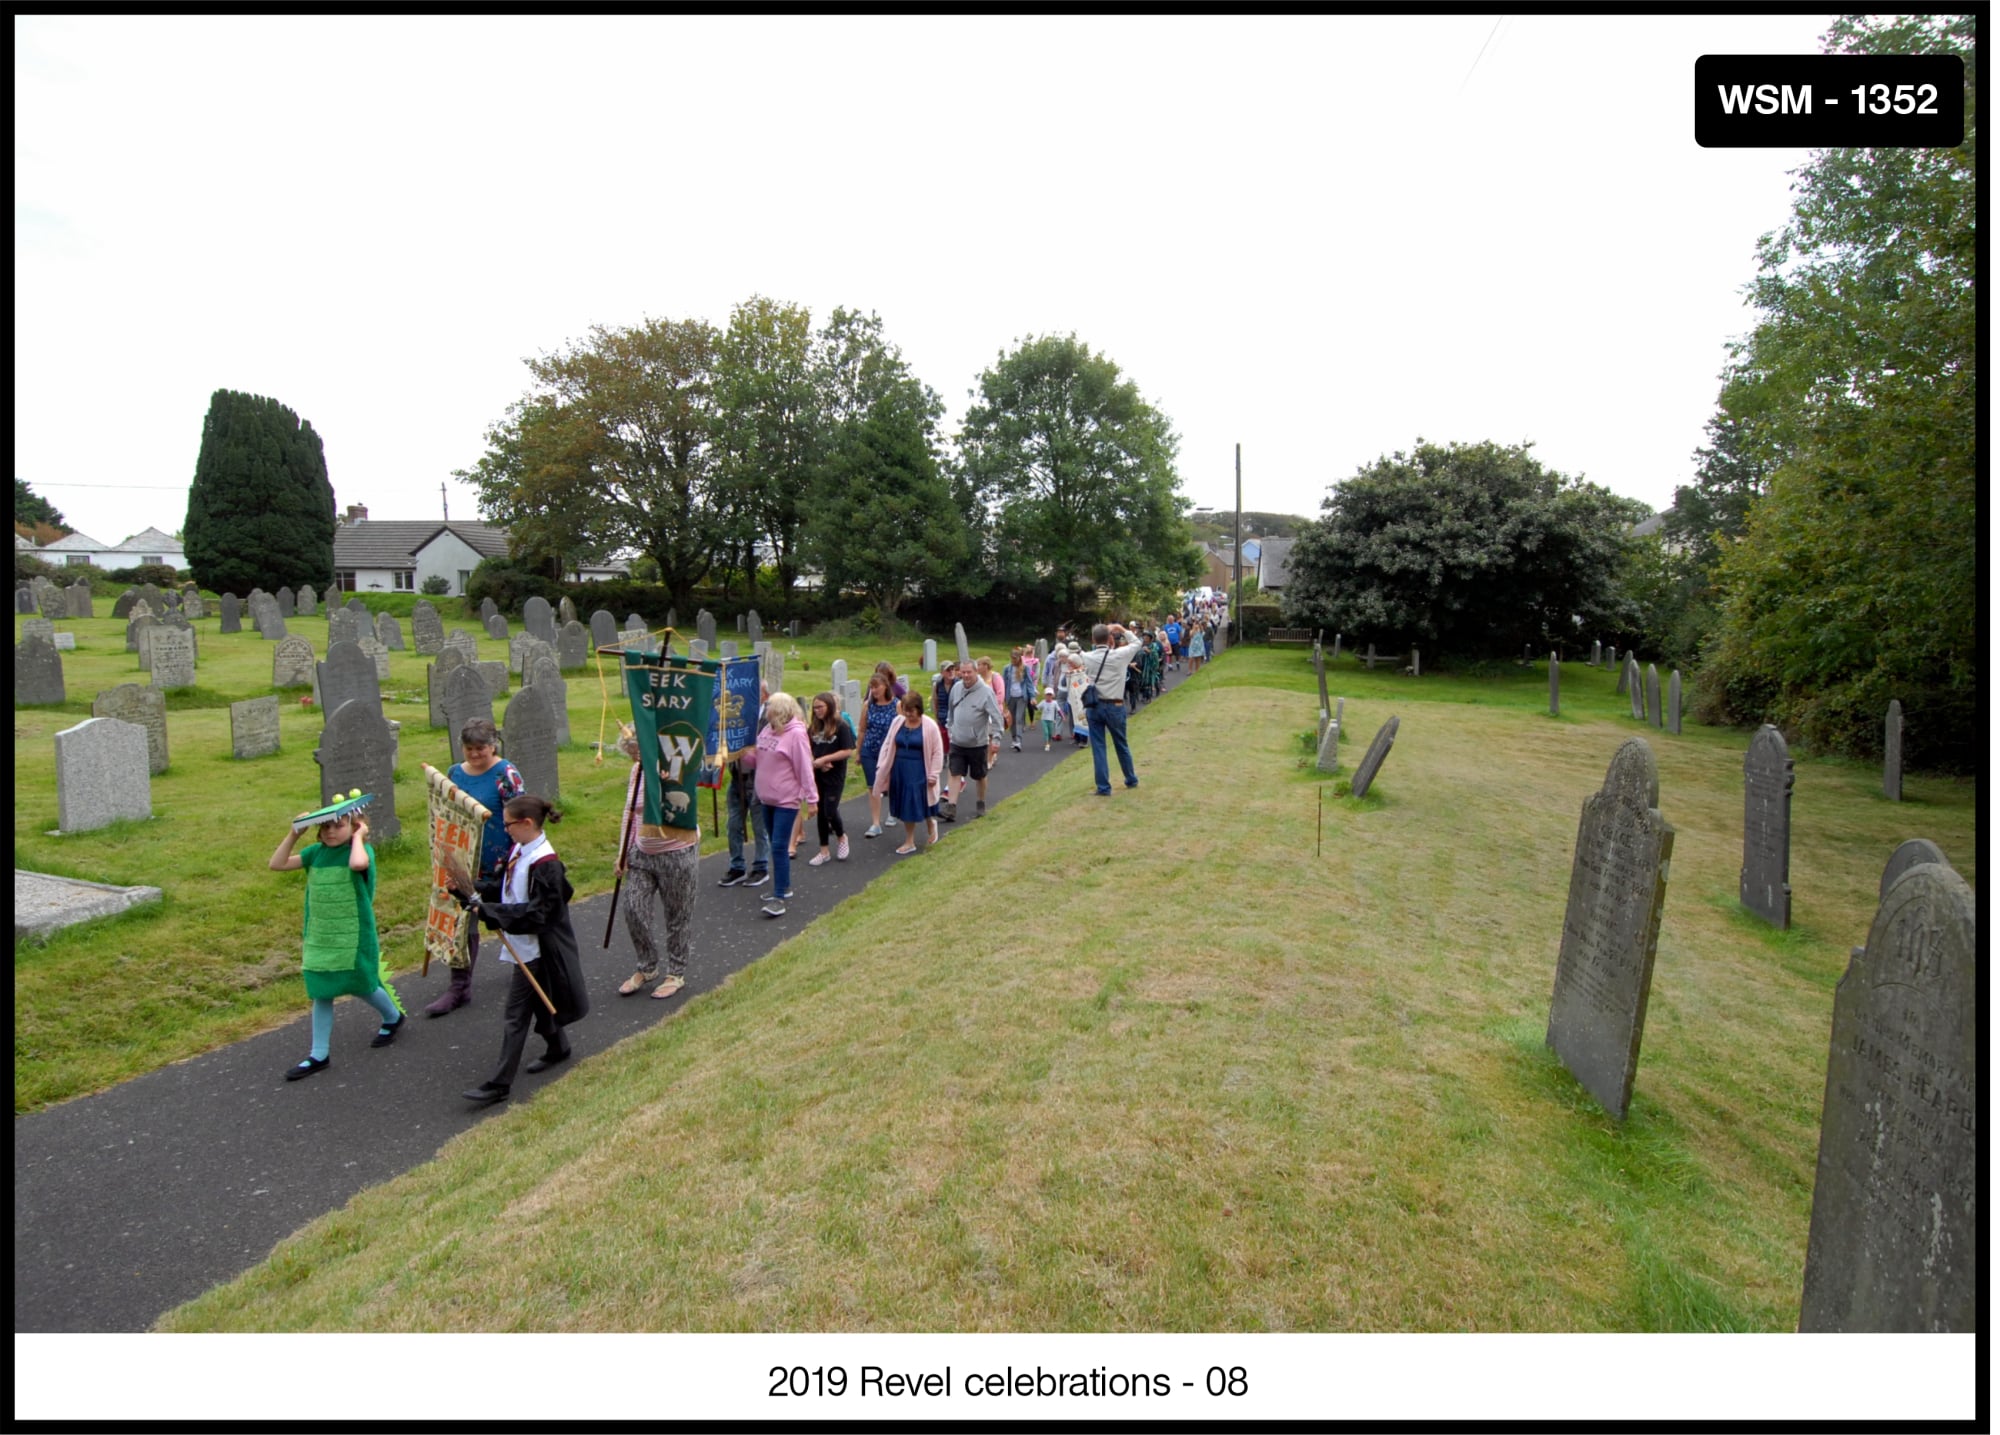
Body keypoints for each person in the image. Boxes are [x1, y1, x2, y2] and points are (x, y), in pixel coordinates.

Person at [447, 795, 589, 1106]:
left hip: (538, 949)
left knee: (515, 1015)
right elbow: (503, 886)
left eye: (509, 824)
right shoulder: (520, 851)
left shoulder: (547, 865)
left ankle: (499, 1084)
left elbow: (539, 914)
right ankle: (557, 1047)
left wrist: (489, 911)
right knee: (539, 1000)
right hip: (523, 946)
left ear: (526, 823)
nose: (505, 829)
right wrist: (469, 889)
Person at [269, 803, 404, 1081]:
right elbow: (277, 864)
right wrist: (294, 833)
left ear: (354, 827)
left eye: (338, 825)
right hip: (321, 935)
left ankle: (392, 1017)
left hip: (353, 935)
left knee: (362, 984)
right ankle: (319, 1054)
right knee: (322, 990)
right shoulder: (315, 853)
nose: (330, 832)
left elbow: (358, 864)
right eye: (325, 827)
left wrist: (358, 837)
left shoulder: (361, 851)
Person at [427, 718, 525, 1017]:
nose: (474, 754)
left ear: (492, 745)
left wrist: (517, 856)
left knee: (508, 917)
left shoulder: (505, 773)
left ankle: (530, 969)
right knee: (462, 922)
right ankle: (460, 987)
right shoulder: (455, 773)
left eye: (480, 748)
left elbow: (521, 814)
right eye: (469, 749)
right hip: (463, 859)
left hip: (499, 860)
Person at [612, 723, 700, 1001]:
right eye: (631, 754)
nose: (634, 758)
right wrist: (622, 852)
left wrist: (664, 780)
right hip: (642, 853)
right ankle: (647, 966)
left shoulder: (673, 769)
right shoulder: (636, 771)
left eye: (637, 752)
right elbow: (630, 812)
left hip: (676, 851)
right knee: (633, 908)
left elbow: (681, 800)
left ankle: (676, 972)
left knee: (677, 915)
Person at [750, 691, 815, 918]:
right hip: (766, 798)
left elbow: (804, 767)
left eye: (770, 707)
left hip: (786, 800)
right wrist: (738, 752)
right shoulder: (768, 730)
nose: (766, 711)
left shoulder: (796, 735)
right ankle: (784, 887)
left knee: (779, 846)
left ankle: (779, 896)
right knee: (772, 842)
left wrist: (811, 798)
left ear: (780, 711)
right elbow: (756, 758)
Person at [872, 691, 943, 856]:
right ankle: (920, 830)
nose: (908, 715)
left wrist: (934, 773)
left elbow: (937, 752)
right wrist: (882, 766)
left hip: (919, 769)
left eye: (911, 711)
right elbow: (889, 743)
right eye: (906, 710)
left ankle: (914, 837)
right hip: (899, 769)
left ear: (919, 709)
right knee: (907, 802)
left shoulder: (930, 726)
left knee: (915, 801)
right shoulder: (898, 722)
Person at [716, 681, 772, 889]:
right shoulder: (735, 715)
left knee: (759, 825)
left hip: (758, 778)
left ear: (764, 696)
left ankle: (760, 866)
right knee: (733, 824)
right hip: (737, 777)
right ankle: (737, 866)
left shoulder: (768, 717)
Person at [1082, 622, 1146, 796]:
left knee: (1099, 747)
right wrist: (1122, 629)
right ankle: (1130, 778)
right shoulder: (1120, 655)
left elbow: (1074, 655)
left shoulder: (1087, 657)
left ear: (1093, 639)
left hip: (1095, 705)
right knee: (1121, 743)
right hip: (1115, 704)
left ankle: (1103, 786)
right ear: (1110, 638)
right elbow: (1137, 643)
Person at [943, 655, 1005, 820]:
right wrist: (950, 729)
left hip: (977, 743)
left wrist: (997, 739)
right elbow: (951, 711)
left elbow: (997, 717)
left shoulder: (986, 692)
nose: (965, 676)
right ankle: (951, 807)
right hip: (957, 741)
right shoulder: (956, 689)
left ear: (976, 672)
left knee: (980, 775)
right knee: (955, 773)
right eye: (962, 672)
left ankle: (981, 802)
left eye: (969, 672)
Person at [805, 691, 855, 865]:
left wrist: (826, 759)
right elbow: (806, 748)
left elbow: (848, 750)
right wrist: (815, 762)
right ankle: (823, 850)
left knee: (830, 810)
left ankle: (841, 837)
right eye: (815, 708)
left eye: (820, 707)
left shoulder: (841, 726)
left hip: (835, 774)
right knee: (821, 812)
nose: (817, 711)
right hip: (817, 773)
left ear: (829, 706)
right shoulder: (813, 728)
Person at [857, 670, 899, 838]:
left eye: (877, 687)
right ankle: (875, 823)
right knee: (873, 786)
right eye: (871, 687)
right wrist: (859, 751)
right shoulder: (868, 705)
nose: (874, 691)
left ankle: (893, 812)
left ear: (885, 687)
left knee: (891, 783)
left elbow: (902, 727)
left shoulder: (896, 705)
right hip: (870, 749)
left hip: (889, 751)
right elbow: (862, 729)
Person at [1002, 649, 1034, 751]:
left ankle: (1018, 741)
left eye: (1015, 658)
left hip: (1021, 696)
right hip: (1010, 696)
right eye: (1012, 658)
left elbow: (1029, 683)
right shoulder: (1007, 669)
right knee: (1012, 719)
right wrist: (1002, 697)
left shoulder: (1025, 669)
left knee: (1019, 718)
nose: (1013, 660)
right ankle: (1014, 738)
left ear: (1019, 658)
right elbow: (1004, 683)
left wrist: (1032, 696)